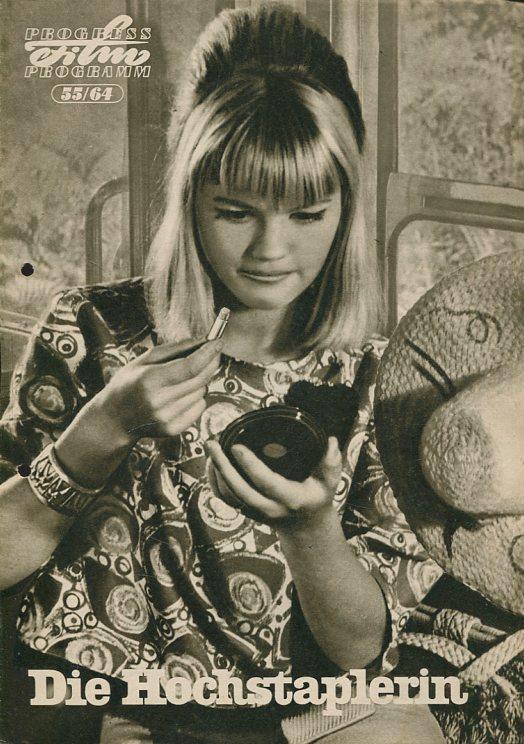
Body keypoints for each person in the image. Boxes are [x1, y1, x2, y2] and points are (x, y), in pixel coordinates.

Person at [0, 4, 445, 742]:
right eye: (236, 212)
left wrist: (310, 531)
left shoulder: (377, 379)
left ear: (346, 211)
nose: (270, 250)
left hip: (293, 718)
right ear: (190, 199)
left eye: (307, 215)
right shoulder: (90, 328)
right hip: (111, 706)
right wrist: (102, 427)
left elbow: (361, 649)